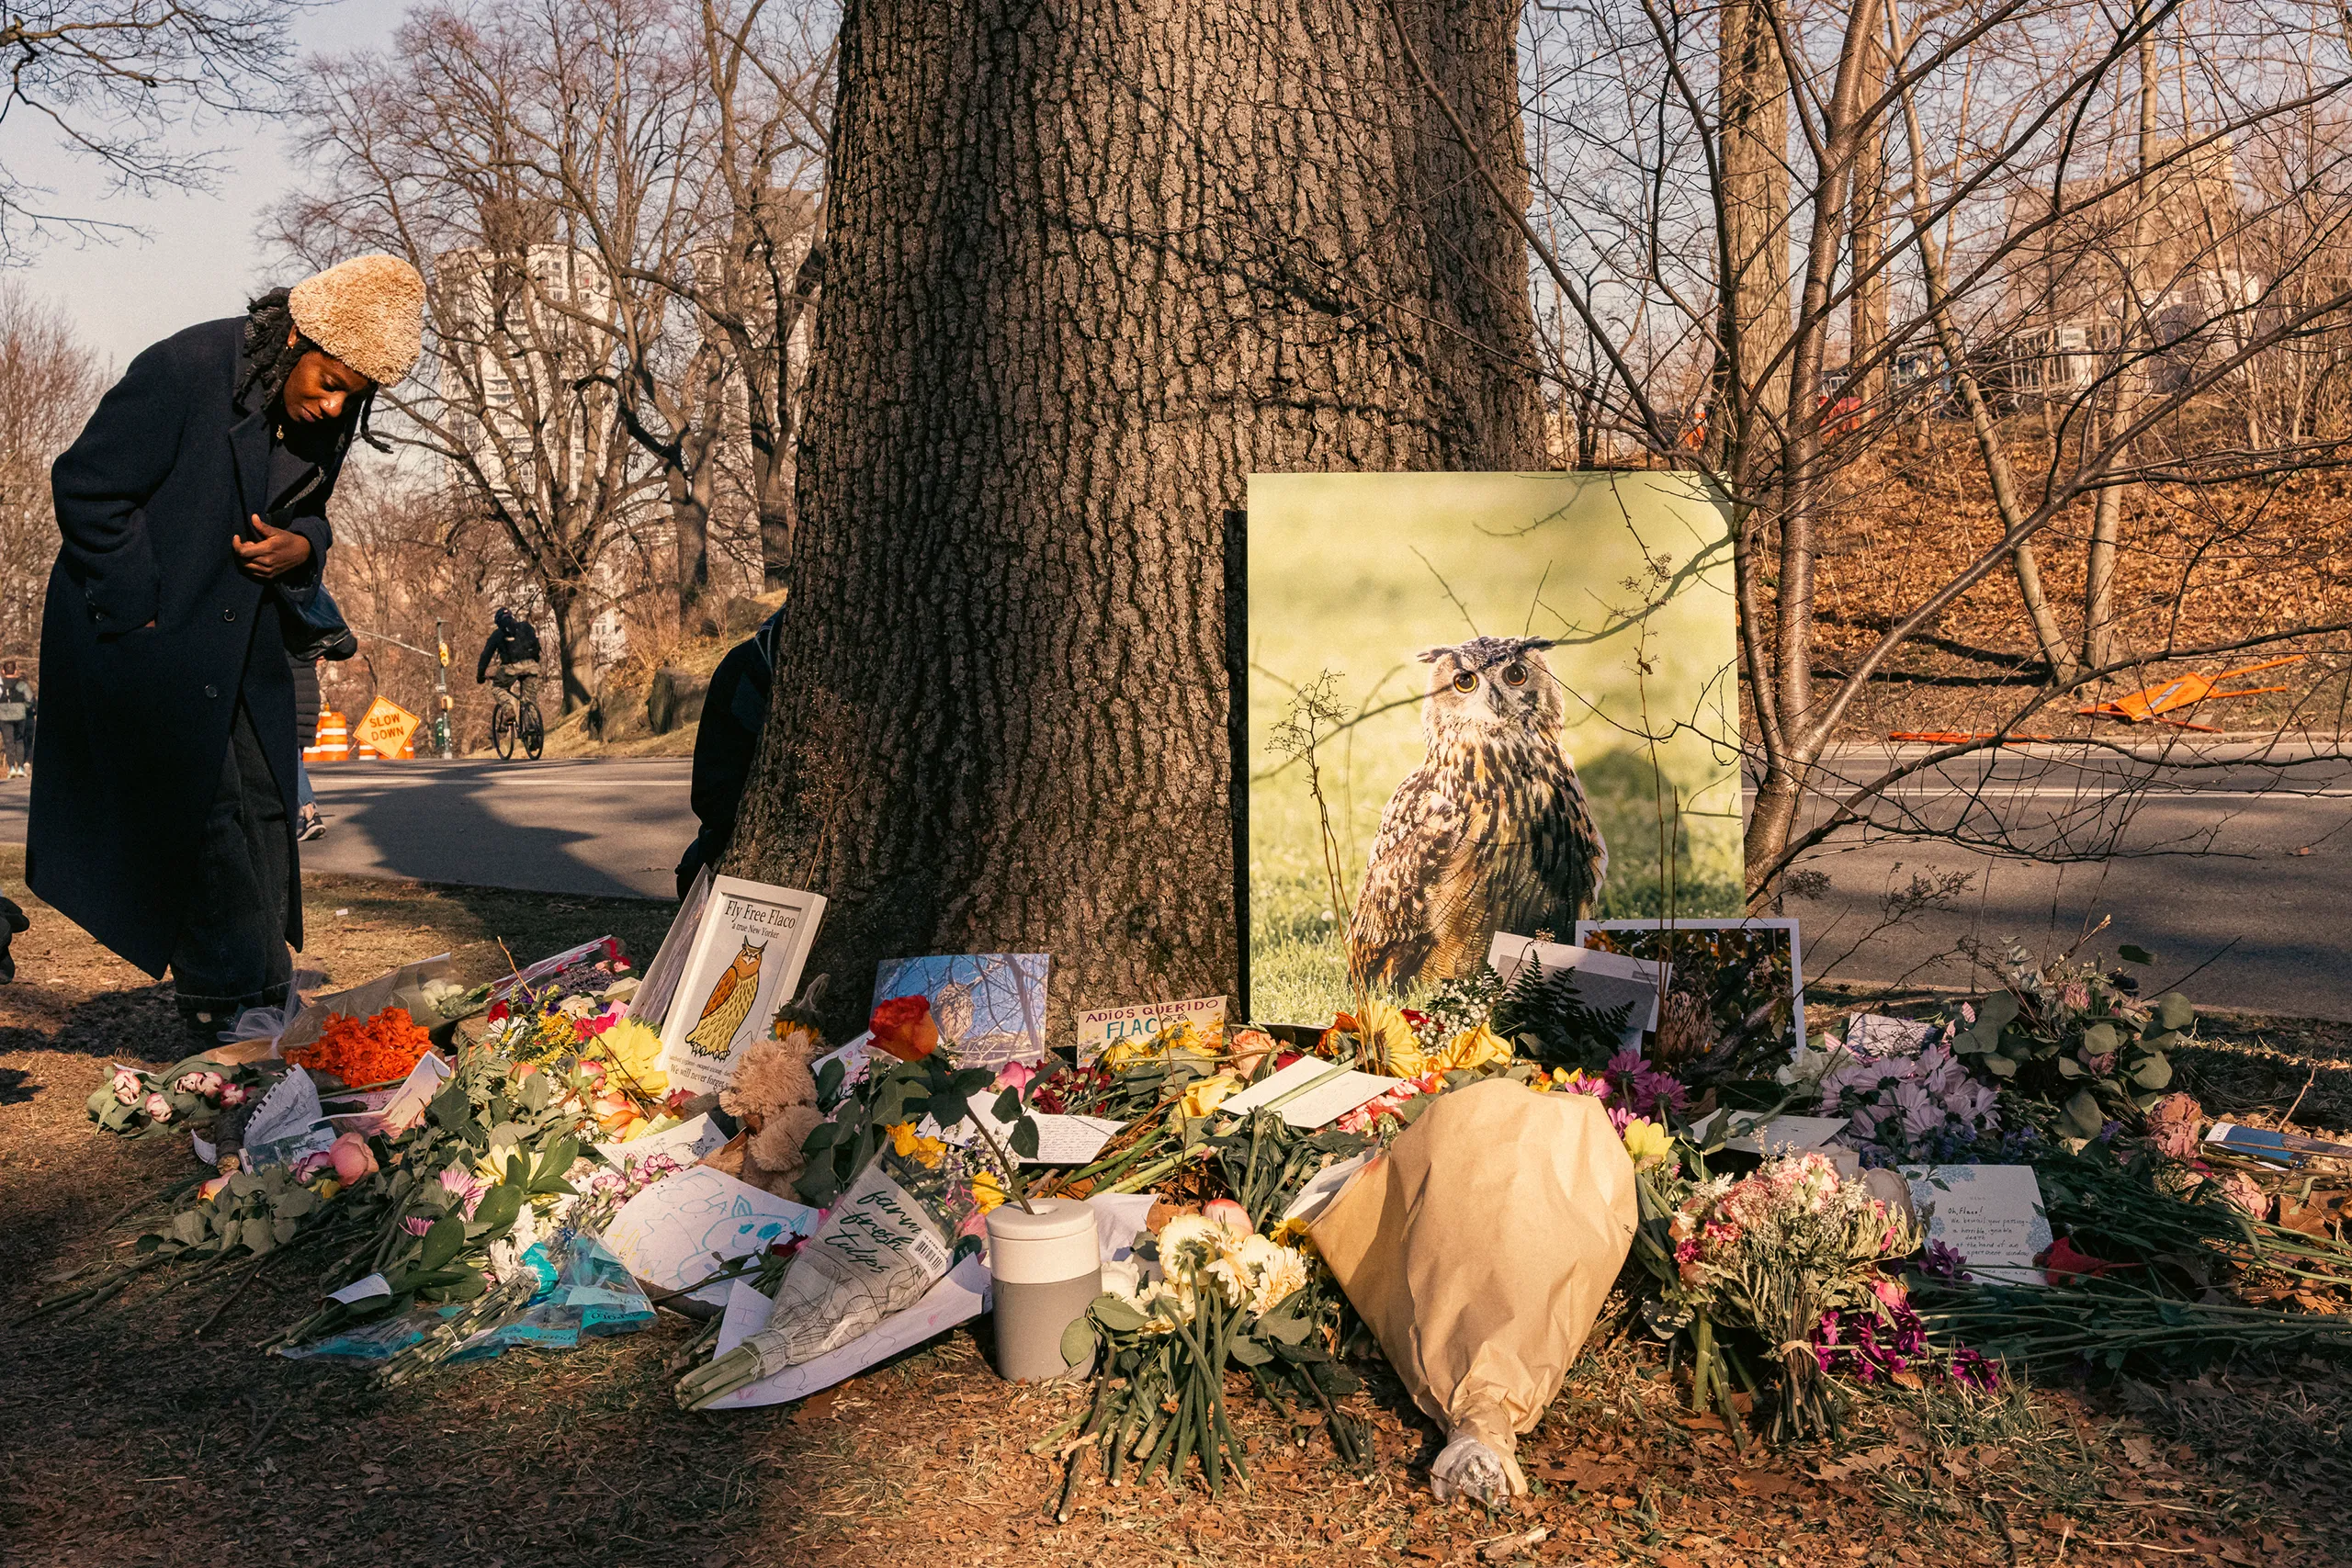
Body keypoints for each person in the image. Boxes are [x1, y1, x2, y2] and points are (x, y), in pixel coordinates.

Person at [28, 254, 425, 1044]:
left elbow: (312, 512)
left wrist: (302, 548)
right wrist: (142, 617)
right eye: (330, 381)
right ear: (297, 341)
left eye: (355, 394)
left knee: (268, 801)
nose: (335, 404)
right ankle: (230, 1008)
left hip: (237, 635)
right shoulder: (188, 366)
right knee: (199, 811)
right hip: (138, 629)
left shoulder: (330, 407)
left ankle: (265, 991)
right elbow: (85, 486)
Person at [675, 606, 782, 896]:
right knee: (693, 872)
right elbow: (711, 796)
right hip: (738, 835)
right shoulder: (748, 666)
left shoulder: (749, 661)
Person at [477, 606, 543, 732]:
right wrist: (534, 662)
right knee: (530, 699)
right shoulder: (526, 626)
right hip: (532, 666)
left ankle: (508, 711)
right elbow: (536, 646)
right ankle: (534, 730)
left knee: (497, 687)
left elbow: (486, 656)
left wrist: (480, 675)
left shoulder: (497, 634)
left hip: (511, 668)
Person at [291, 654, 326, 840]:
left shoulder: (277, 631)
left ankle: (310, 814)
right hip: (310, 699)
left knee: (290, 760)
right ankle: (294, 818)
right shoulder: (306, 631)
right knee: (295, 759)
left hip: (289, 698)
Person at [0, 660, 33, 778]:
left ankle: (11, 768)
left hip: (3, 716)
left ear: (3, 671)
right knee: (19, 741)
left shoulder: (0, 684)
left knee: (8, 742)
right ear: (16, 671)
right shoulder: (21, 684)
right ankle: (20, 767)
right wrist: (25, 707)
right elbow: (30, 699)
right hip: (20, 715)